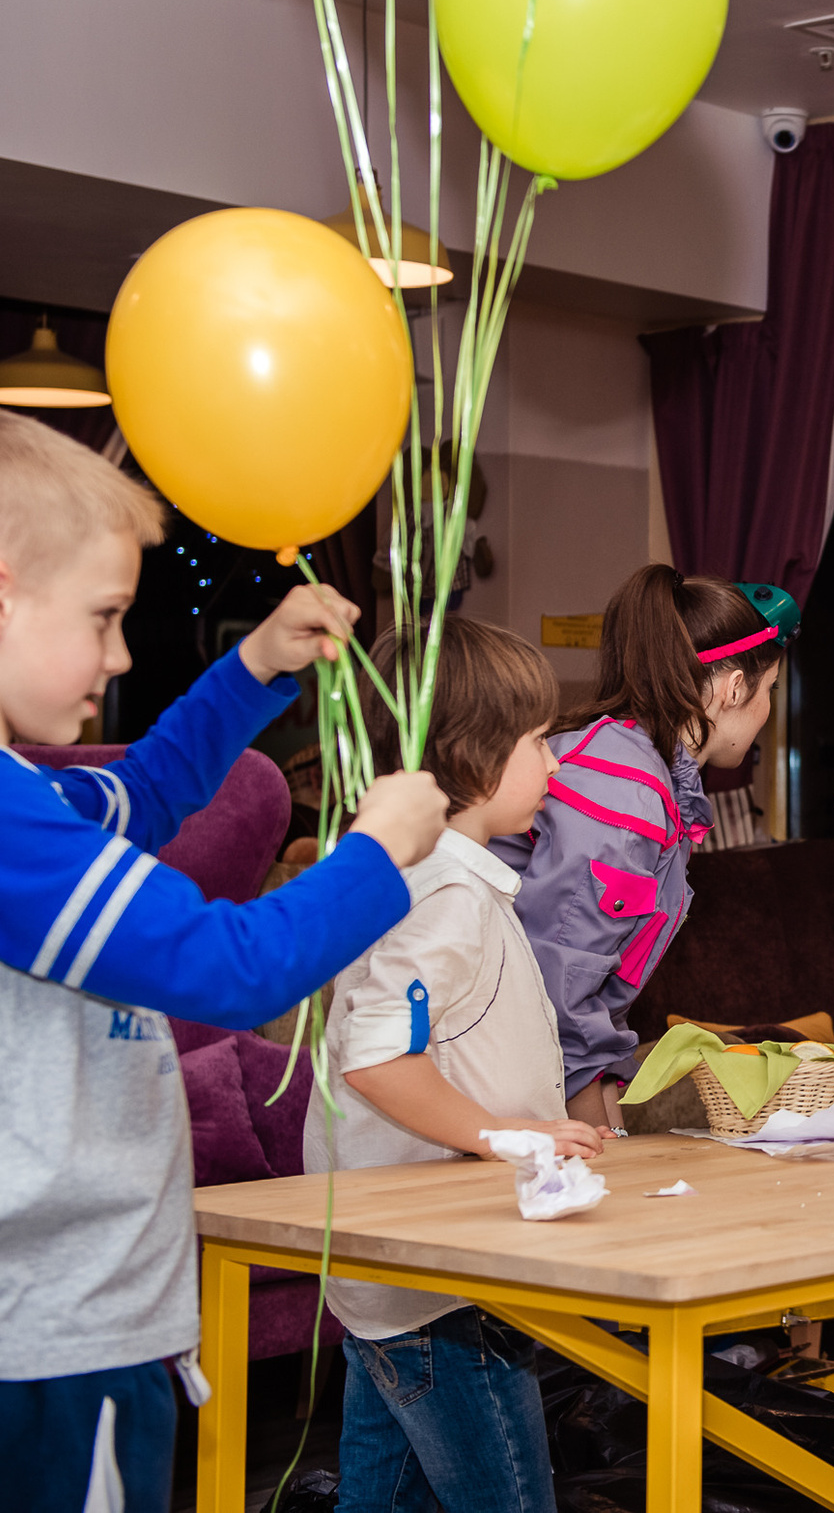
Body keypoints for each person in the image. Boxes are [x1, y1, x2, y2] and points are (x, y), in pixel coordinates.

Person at [0, 408, 447, 1510]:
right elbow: (235, 967)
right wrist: (377, 854)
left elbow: (148, 792)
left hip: (44, 1344)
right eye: (103, 616)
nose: (120, 653)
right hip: (45, 1358)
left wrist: (256, 666)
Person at [309, 617, 604, 1513]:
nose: (555, 765)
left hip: (403, 1284)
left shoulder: (429, 878)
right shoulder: (443, 892)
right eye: (539, 742)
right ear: (475, 756)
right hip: (442, 1290)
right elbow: (375, 1058)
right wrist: (505, 1135)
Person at [496, 565, 793, 1134]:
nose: (767, 709)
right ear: (734, 688)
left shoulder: (645, 778)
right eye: (770, 690)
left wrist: (612, 1122)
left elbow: (593, 998)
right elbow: (558, 995)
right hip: (488, 1064)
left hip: (532, 1059)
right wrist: (602, 1142)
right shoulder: (624, 798)